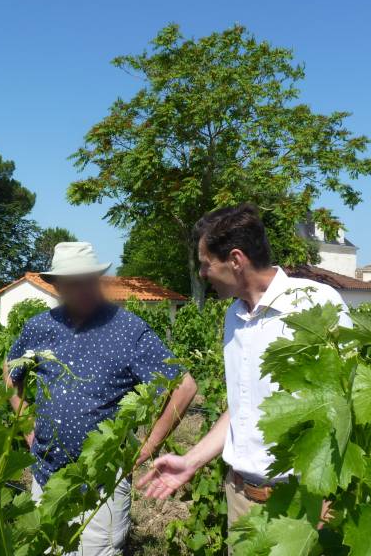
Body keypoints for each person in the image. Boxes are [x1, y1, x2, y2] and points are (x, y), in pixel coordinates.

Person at [136, 205, 349, 550]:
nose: (202, 273)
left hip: (305, 503)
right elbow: (243, 408)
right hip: (241, 500)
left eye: (205, 263)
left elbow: (344, 405)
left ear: (236, 260)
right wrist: (190, 461)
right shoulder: (234, 316)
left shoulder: (317, 304)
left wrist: (329, 494)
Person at [4, 242, 197, 556]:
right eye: (71, 282)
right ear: (56, 285)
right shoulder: (39, 327)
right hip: (46, 474)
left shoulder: (127, 329)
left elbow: (184, 386)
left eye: (87, 280)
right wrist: (27, 425)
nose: (81, 289)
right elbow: (10, 371)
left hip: (101, 484)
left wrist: (148, 446)